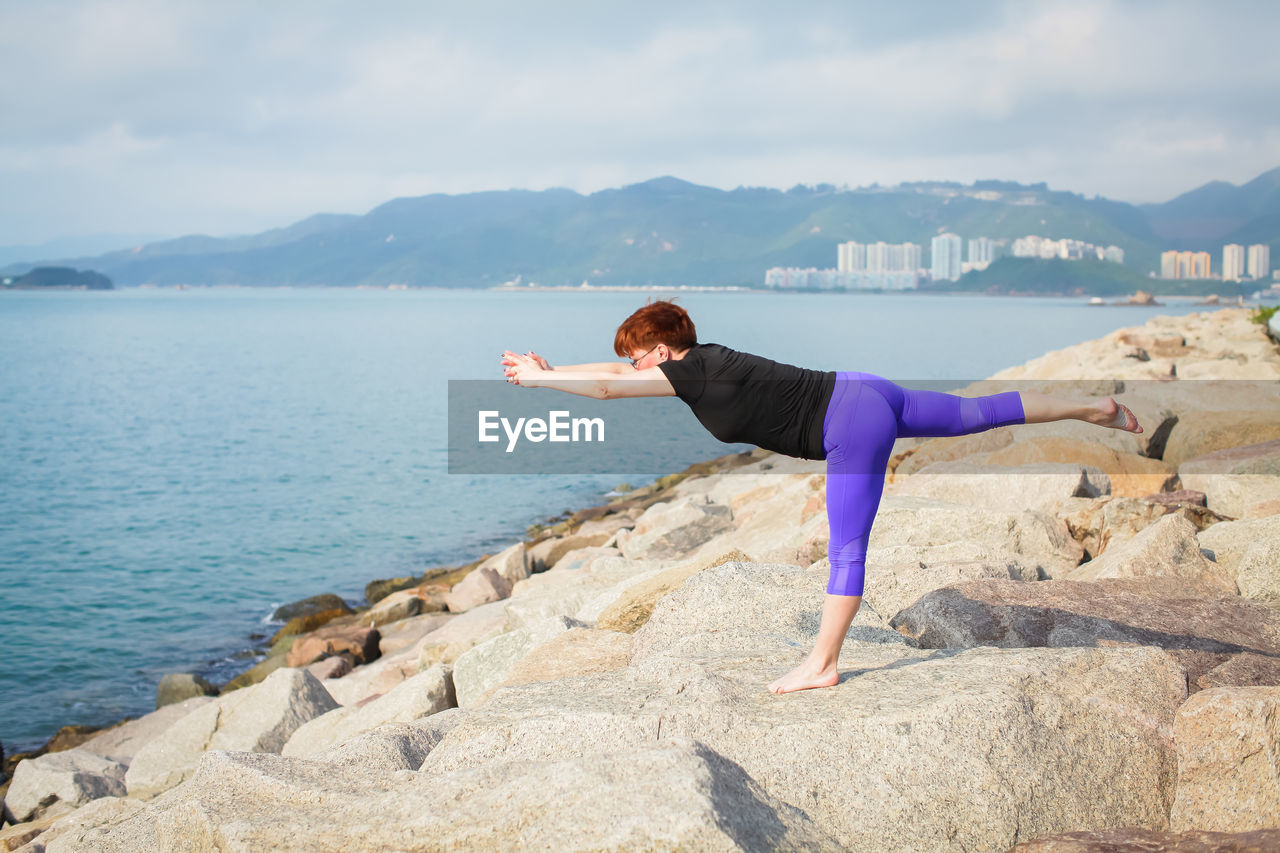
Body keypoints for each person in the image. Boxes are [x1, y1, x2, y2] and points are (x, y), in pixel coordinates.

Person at [500, 299, 1142, 695]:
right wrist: (550, 373)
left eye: (638, 359)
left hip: (850, 424)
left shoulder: (689, 371)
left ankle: (823, 663)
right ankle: (1095, 406)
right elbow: (612, 375)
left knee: (846, 548)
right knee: (980, 412)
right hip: (863, 390)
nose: (636, 369)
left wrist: (539, 381)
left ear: (661, 351)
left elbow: (612, 387)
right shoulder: (705, 360)